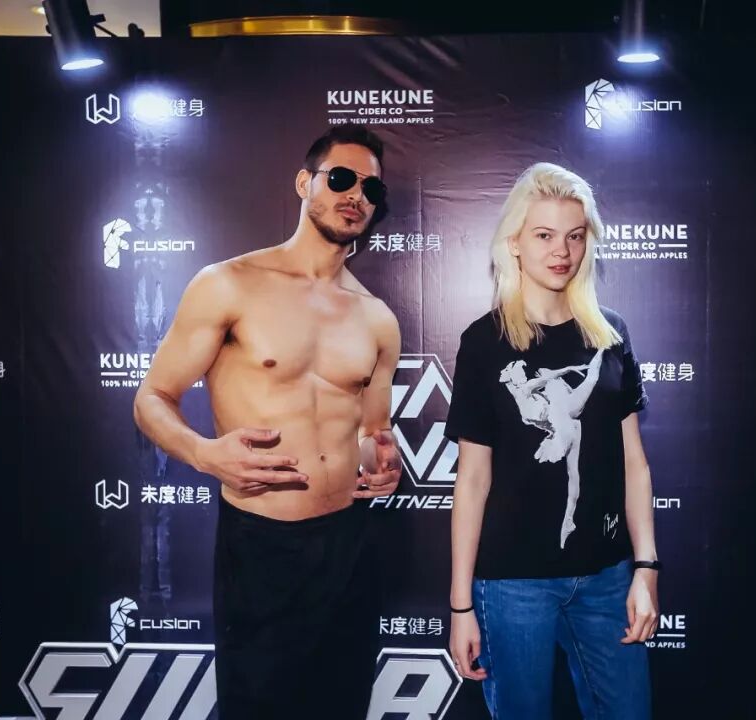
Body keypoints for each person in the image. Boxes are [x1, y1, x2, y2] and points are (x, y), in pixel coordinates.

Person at [133, 124, 403, 719]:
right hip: (261, 544)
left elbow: (371, 433)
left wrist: (381, 461)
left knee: (343, 707)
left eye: (371, 189)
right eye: (341, 178)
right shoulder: (229, 284)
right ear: (305, 183)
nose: (356, 195)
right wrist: (204, 453)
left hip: (350, 545)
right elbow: (152, 396)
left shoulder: (377, 319)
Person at [446, 162, 660, 719]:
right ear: (514, 243)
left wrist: (646, 567)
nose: (561, 251)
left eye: (574, 235)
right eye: (544, 235)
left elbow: (634, 463)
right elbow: (472, 480)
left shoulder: (609, 334)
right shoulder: (484, 342)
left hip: (607, 577)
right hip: (512, 584)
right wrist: (461, 605)